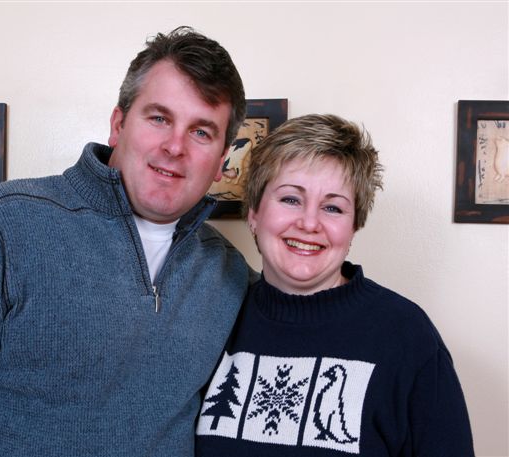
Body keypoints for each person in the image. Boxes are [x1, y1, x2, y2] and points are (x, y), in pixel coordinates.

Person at [0, 26, 251, 456]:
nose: (175, 146)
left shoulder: (230, 272)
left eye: (201, 132)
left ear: (221, 160)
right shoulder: (2, 226)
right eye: (159, 118)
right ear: (118, 125)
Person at [195, 114, 475, 456]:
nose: (309, 223)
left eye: (332, 207)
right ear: (254, 213)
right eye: (290, 199)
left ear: (354, 226)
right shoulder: (216, 316)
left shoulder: (407, 336)